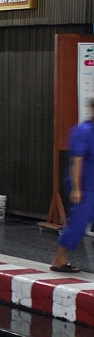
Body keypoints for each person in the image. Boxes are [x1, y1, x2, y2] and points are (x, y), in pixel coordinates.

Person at [51, 97, 94, 272]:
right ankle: (60, 259)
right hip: (85, 187)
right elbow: (76, 160)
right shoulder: (83, 131)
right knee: (78, 223)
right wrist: (76, 188)